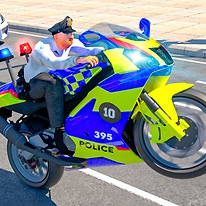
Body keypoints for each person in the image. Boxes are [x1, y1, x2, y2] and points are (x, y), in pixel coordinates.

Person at [24, 16, 102, 155]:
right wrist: (78, 60)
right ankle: (58, 130)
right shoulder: (43, 46)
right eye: (67, 33)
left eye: (71, 33)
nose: (70, 36)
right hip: (35, 82)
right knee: (53, 85)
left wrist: (111, 49)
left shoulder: (69, 42)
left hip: (55, 75)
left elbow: (89, 50)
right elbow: (53, 62)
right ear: (56, 35)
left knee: (82, 81)